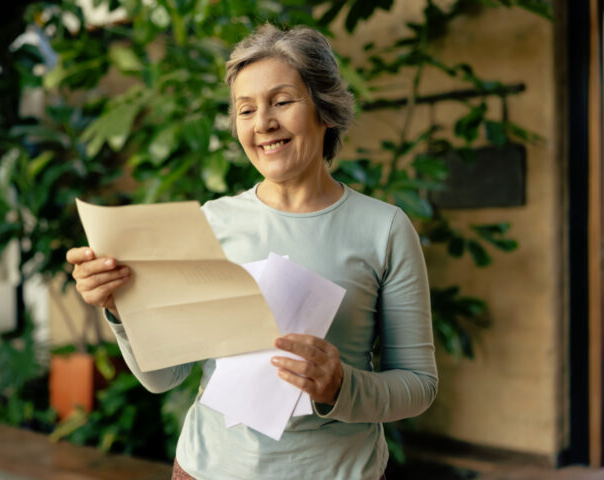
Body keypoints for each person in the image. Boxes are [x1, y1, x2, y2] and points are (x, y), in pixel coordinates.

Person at [66, 24, 437, 480]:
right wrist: (120, 310)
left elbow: (418, 385)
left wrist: (341, 386)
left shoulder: (385, 228)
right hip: (208, 470)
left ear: (326, 108)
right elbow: (165, 377)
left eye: (281, 102)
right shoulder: (212, 222)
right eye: (246, 109)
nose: (263, 123)